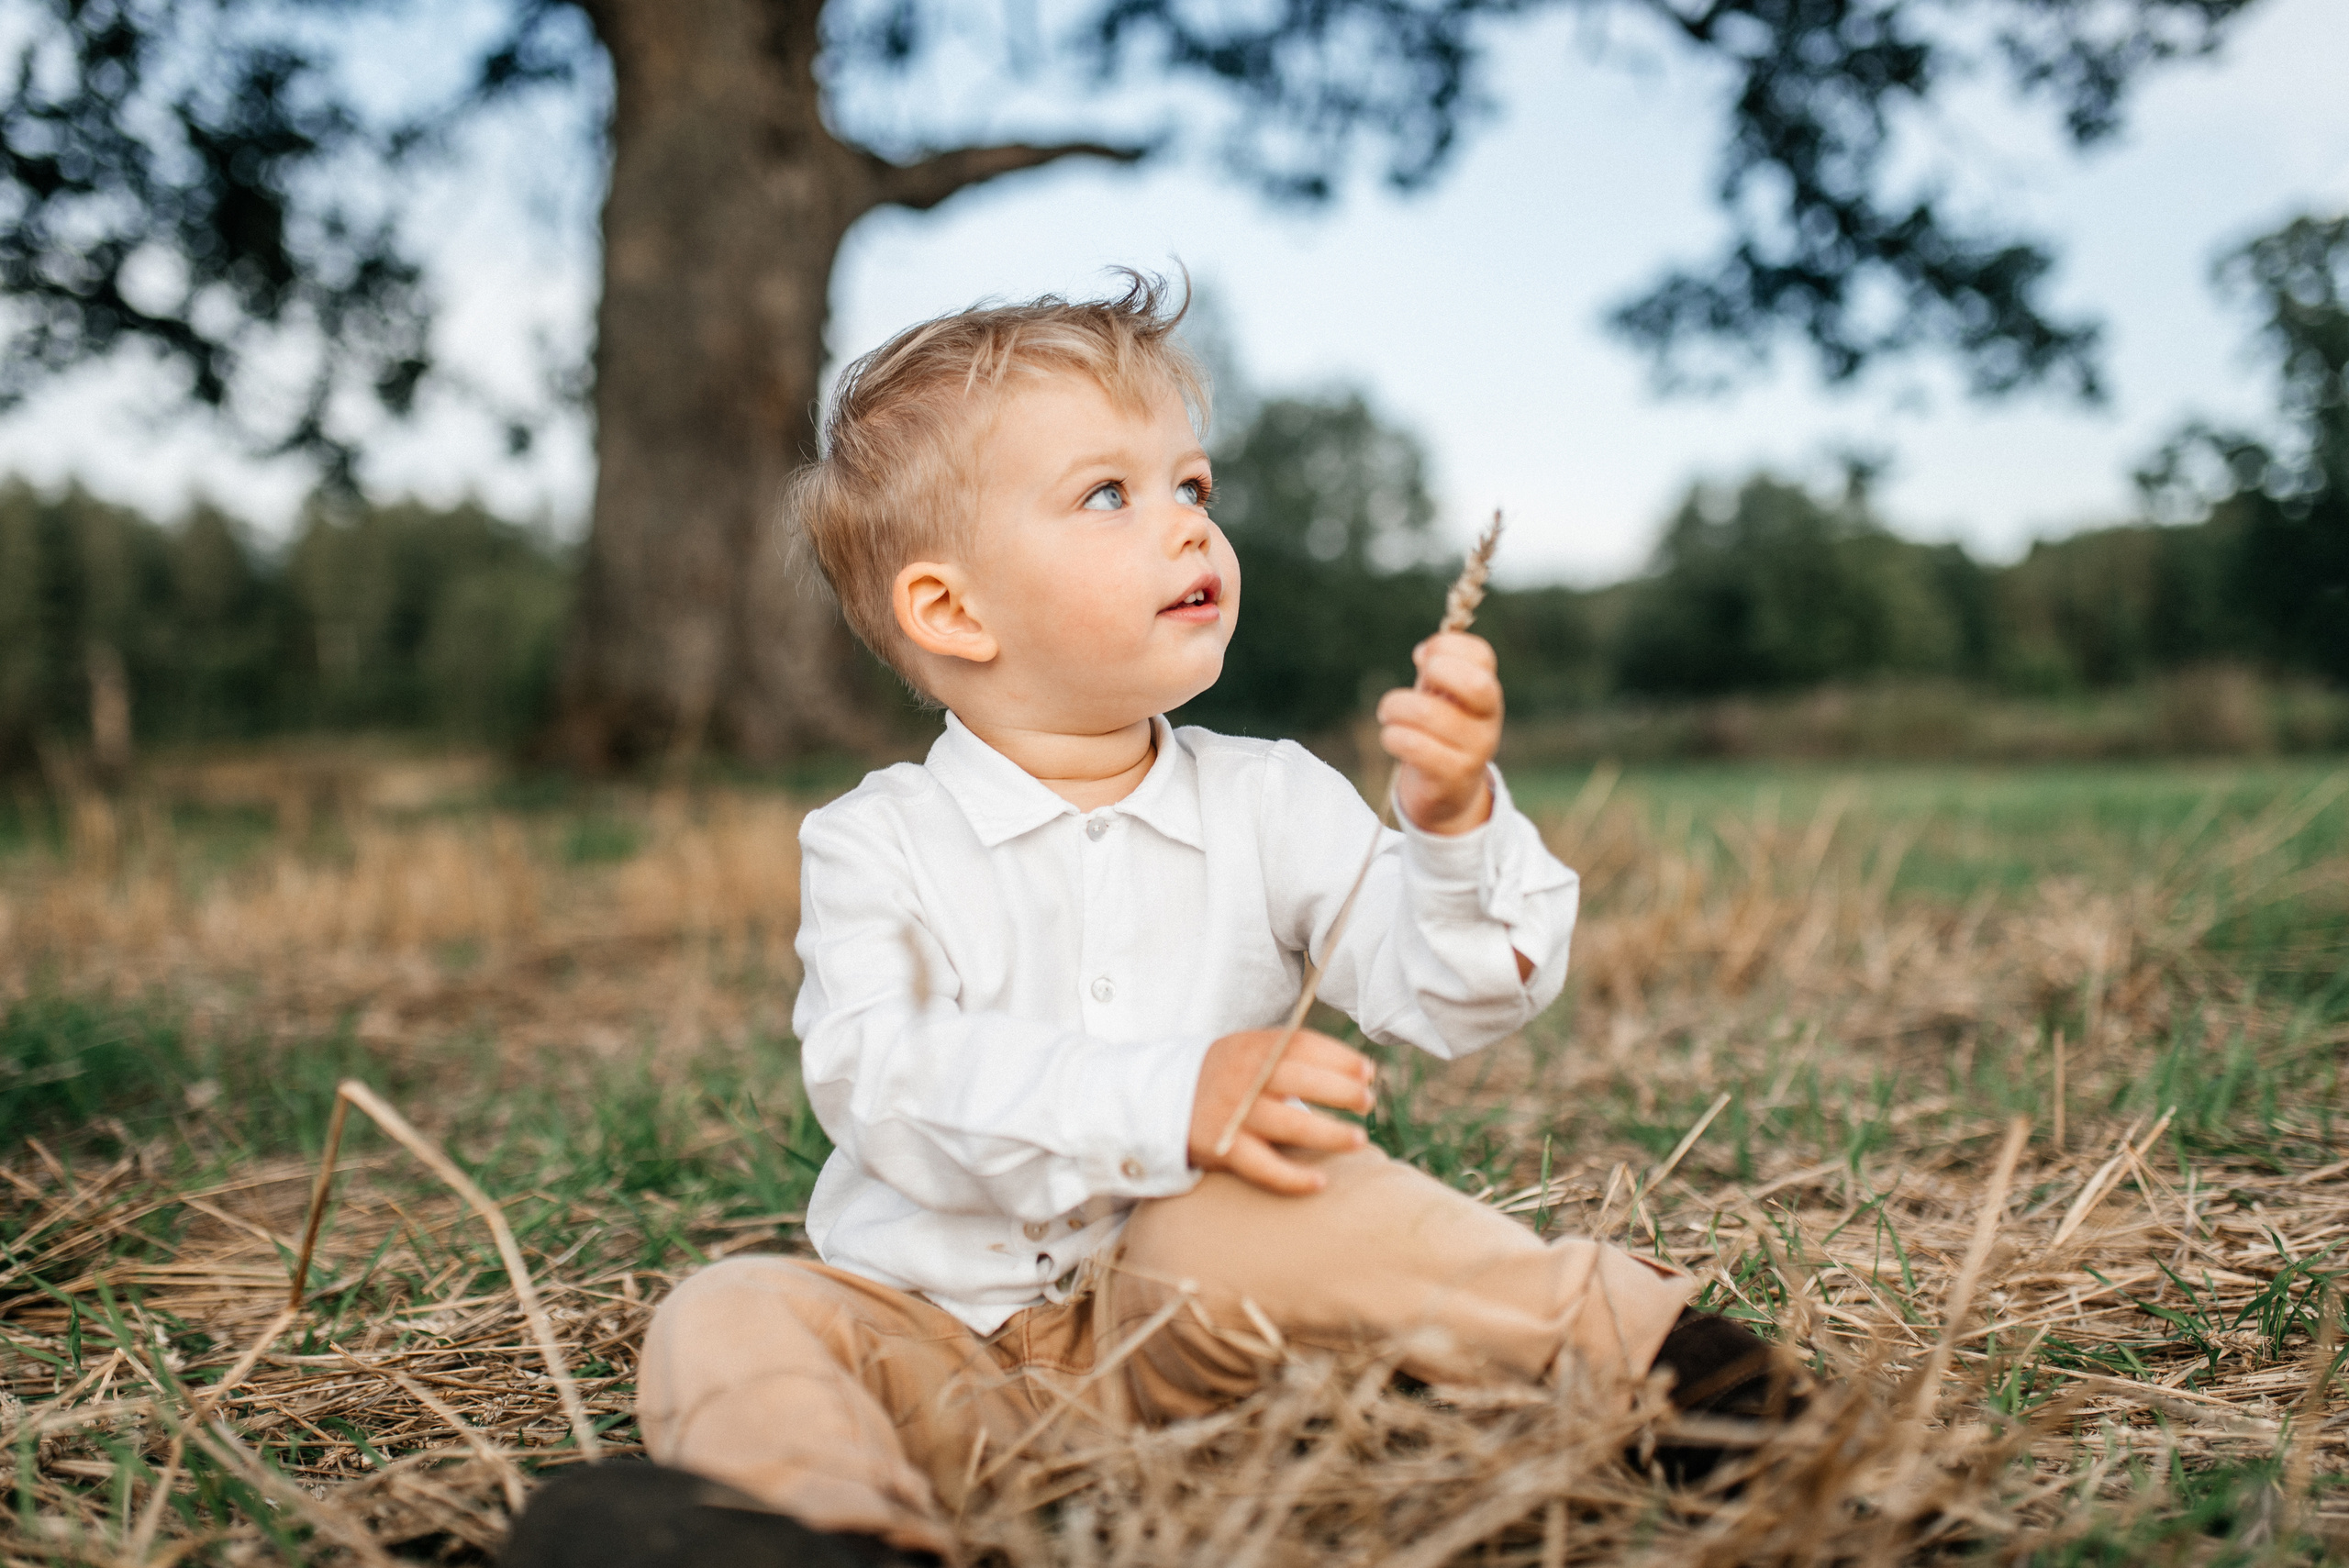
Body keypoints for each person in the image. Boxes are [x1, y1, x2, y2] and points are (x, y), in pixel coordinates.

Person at [505, 274, 1787, 1568]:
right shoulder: (878, 839)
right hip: (935, 1348)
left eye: (1193, 486)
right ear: (953, 610)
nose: (1187, 527)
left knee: (1286, 1199)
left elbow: (1449, 993)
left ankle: (1688, 1382)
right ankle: (832, 1531)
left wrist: (1449, 827)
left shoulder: (1273, 795)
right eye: (1108, 494)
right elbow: (886, 1077)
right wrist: (1171, 1092)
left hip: (1202, 1340)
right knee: (727, 1311)